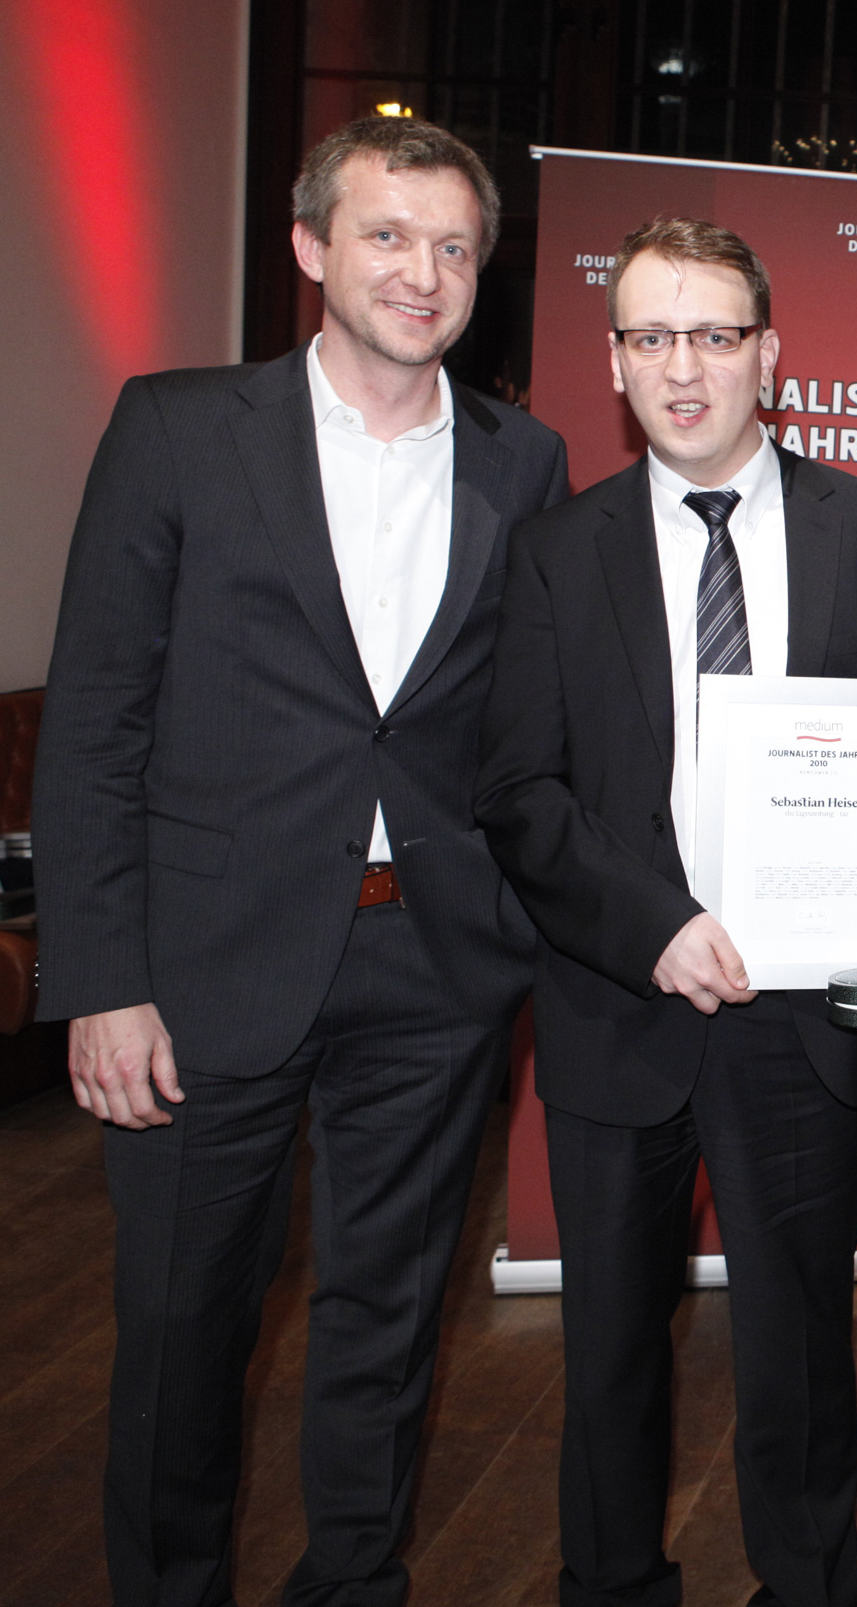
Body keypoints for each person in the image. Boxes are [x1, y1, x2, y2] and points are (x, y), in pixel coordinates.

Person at [30, 116, 568, 1604]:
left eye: (455, 245)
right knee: (182, 1333)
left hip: (436, 966)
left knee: (389, 1328)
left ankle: (355, 1584)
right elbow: (94, 723)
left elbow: (525, 727)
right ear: (312, 248)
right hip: (203, 969)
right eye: (389, 235)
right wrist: (103, 979)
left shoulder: (530, 462)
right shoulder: (178, 426)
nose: (425, 271)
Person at [473, 216, 857, 1607]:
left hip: (804, 1019)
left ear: (768, 351)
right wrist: (654, 925)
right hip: (618, 1001)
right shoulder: (554, 551)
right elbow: (519, 791)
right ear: (614, 359)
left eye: (711, 333)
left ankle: (808, 1587)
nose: (680, 367)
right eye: (648, 336)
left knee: (802, 1352)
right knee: (611, 1350)